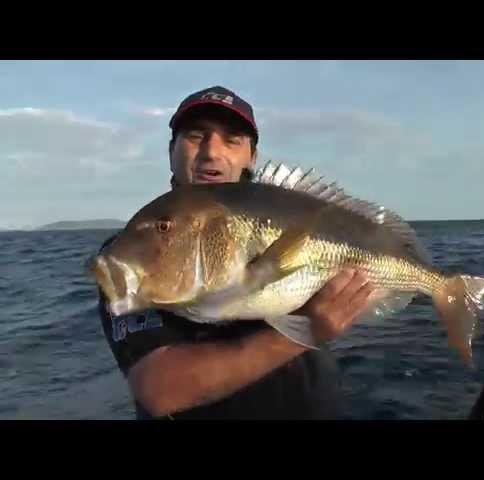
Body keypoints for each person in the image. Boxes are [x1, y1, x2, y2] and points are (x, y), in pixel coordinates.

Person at [97, 86, 375, 419]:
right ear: (171, 150)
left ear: (251, 157)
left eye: (232, 140)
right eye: (196, 136)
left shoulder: (290, 215)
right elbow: (160, 388)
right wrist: (307, 331)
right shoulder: (131, 255)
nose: (211, 152)